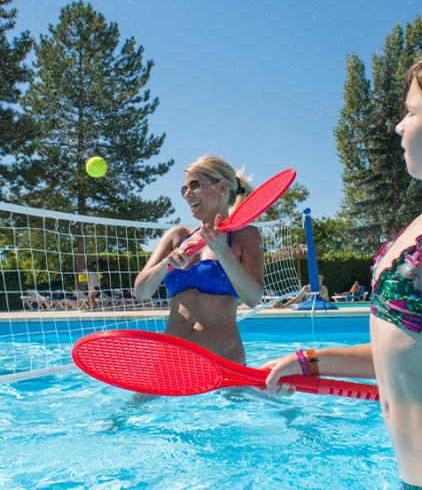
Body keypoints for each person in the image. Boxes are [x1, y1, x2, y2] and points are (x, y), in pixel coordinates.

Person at [260, 57, 422, 490]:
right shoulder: (412, 227)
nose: (399, 127)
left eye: (412, 112)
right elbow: (402, 356)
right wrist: (310, 361)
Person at [134, 155, 264, 365]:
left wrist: (223, 253)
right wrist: (166, 264)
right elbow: (141, 292)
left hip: (224, 364)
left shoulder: (245, 236)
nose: (187, 194)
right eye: (183, 189)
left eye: (194, 185)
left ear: (222, 187)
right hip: (171, 362)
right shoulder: (177, 236)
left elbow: (253, 298)